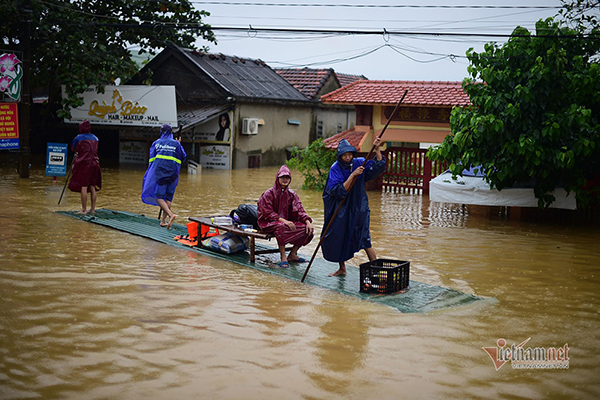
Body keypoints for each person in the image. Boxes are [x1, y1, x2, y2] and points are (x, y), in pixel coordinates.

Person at [322, 137, 386, 277]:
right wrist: (352, 175)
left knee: (365, 239)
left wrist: (377, 149)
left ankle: (377, 270)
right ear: (340, 156)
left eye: (350, 154)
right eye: (345, 155)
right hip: (342, 209)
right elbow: (338, 191)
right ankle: (342, 268)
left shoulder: (358, 162)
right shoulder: (335, 168)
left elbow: (377, 166)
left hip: (359, 207)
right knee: (339, 236)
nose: (348, 157)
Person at [257, 165, 314, 268]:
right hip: (268, 222)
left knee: (307, 229)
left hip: (285, 222)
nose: (285, 180)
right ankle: (283, 257)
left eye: (287, 177)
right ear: (277, 178)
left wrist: (307, 222)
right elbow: (267, 213)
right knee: (282, 226)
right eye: (282, 177)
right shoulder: (268, 193)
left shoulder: (292, 194)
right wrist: (284, 221)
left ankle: (292, 254)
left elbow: (300, 210)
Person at [141, 124, 187, 229]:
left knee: (159, 197)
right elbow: (184, 157)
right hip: (173, 175)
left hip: (161, 175)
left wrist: (150, 177)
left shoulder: (156, 143)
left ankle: (171, 215)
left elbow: (151, 162)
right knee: (168, 198)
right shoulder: (176, 144)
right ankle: (163, 221)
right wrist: (179, 144)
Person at [68, 120, 102, 214]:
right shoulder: (96, 138)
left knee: (84, 186)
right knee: (92, 186)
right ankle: (92, 209)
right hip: (95, 163)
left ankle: (83, 209)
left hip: (84, 164)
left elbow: (73, 148)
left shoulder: (78, 138)